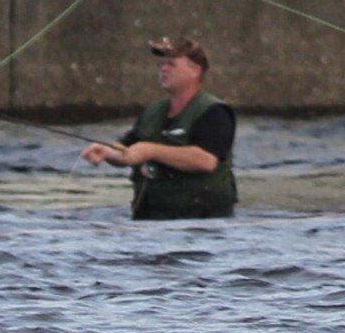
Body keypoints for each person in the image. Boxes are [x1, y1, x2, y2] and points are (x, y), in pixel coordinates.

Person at [85, 33, 238, 220]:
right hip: (151, 219)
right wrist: (108, 153)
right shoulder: (152, 113)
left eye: (171, 64)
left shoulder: (214, 112)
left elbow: (205, 160)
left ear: (195, 70)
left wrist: (150, 151)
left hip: (202, 224)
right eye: (161, 65)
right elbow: (129, 151)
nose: (163, 69)